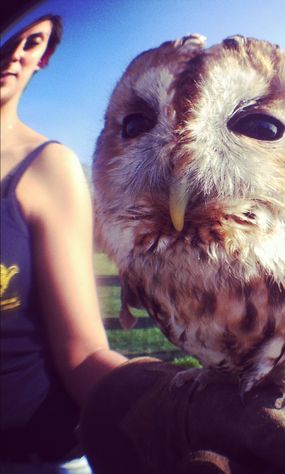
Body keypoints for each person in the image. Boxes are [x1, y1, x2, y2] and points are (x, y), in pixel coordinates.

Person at [1, 13, 285, 474]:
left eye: (261, 127)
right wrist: (173, 403)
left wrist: (152, 402)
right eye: (137, 125)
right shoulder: (140, 260)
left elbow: (79, 349)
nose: (182, 171)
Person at [1, 15, 127, 472]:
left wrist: (171, 400)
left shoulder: (48, 167)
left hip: (33, 455)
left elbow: (82, 353)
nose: (15, 51)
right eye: (7, 32)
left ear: (45, 56)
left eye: (31, 41)